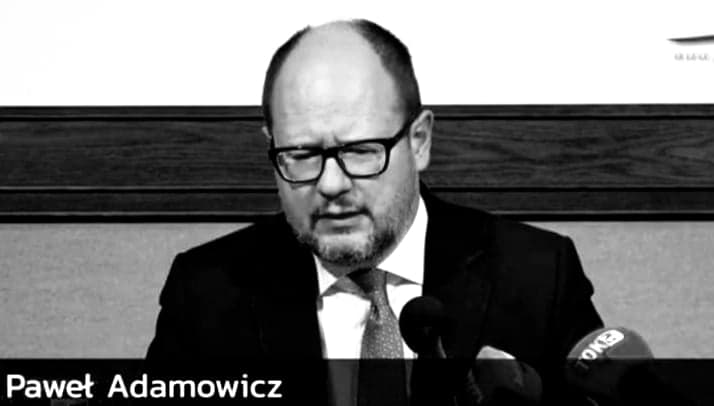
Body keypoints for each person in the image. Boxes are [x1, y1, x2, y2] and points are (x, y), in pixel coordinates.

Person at [147, 19, 603, 405]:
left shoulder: (536, 277)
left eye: (361, 151)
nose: (331, 184)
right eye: (301, 154)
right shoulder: (207, 293)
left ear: (419, 141)